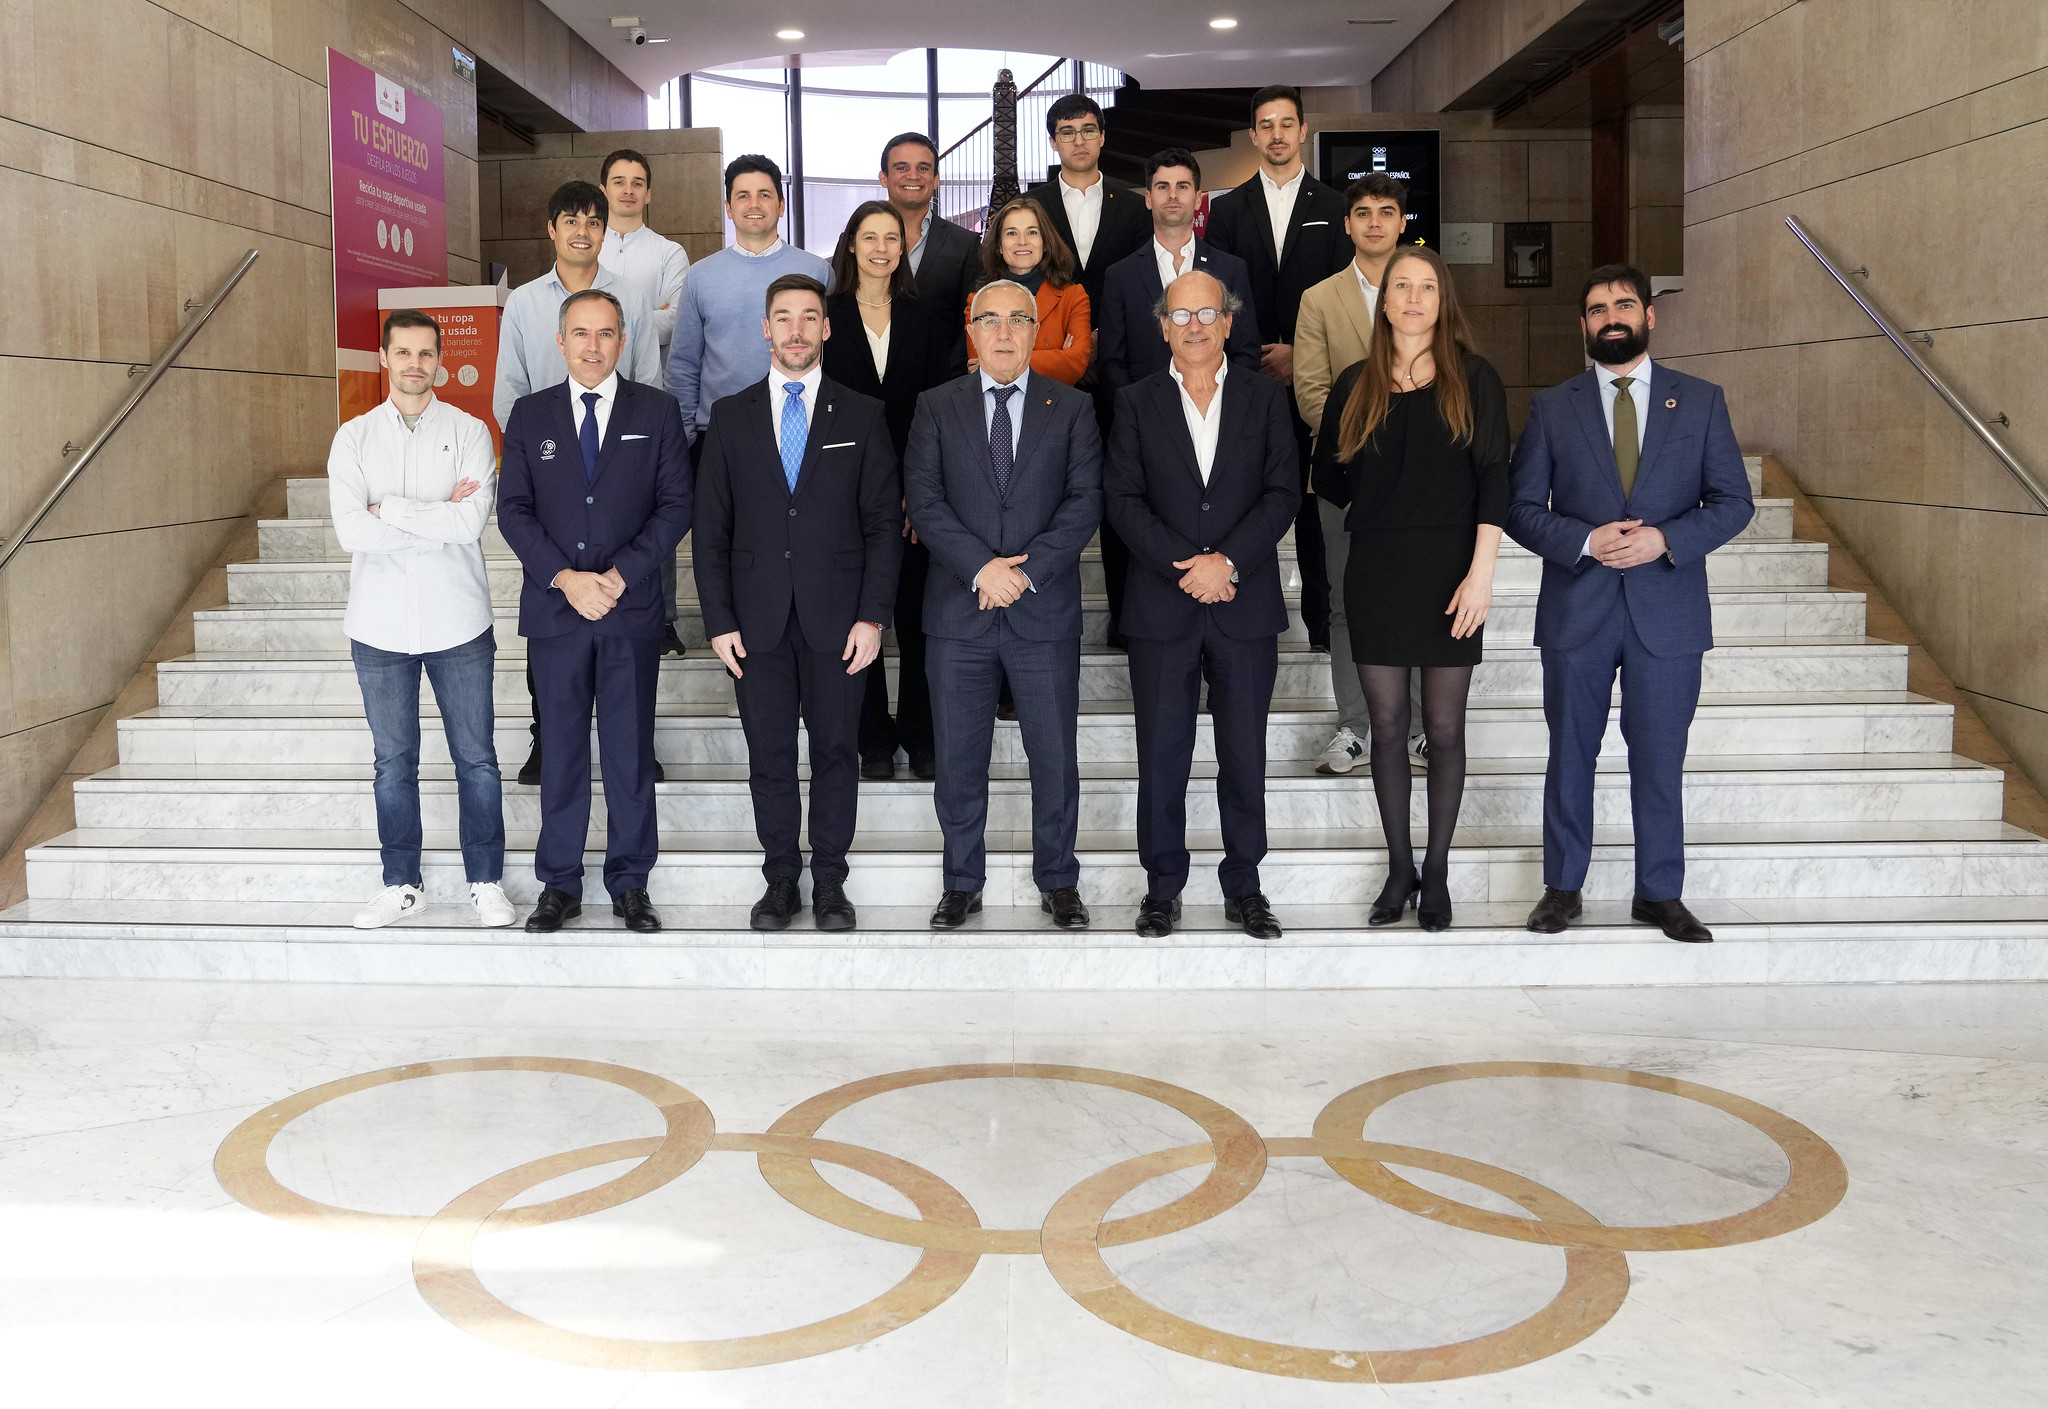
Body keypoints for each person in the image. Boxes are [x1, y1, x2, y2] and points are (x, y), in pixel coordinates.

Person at [1507, 264, 1755, 945]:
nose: (1610, 317)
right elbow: (1521, 509)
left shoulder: (1700, 401)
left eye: (1623, 305)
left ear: (1650, 315)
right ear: (1583, 325)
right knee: (1571, 752)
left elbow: (1734, 502)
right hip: (1577, 610)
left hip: (1666, 612)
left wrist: (1665, 539)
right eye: (1596, 309)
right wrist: (1584, 539)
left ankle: (1660, 892)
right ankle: (1563, 887)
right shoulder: (1552, 407)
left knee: (1660, 757)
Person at [694, 273, 902, 933]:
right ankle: (781, 879)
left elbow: (882, 526)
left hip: (839, 619)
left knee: (837, 751)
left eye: (809, 317)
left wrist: (873, 616)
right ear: (765, 328)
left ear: (827, 327)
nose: (796, 330)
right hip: (754, 623)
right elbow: (711, 529)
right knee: (770, 755)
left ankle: (831, 881)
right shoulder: (730, 416)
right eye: (783, 317)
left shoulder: (862, 413)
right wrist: (718, 620)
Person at [1312, 247, 1510, 934]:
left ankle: (1438, 869)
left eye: (1428, 286)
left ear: (1442, 299)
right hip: (1377, 572)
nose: (1415, 297)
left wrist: (1482, 573)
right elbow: (1328, 475)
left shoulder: (1474, 378)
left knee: (1445, 728)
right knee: (1389, 727)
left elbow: (1495, 477)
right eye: (1402, 286)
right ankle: (1400, 868)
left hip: (1453, 573)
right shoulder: (1354, 383)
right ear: (1385, 300)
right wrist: (1377, 509)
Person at [1105, 271, 1299, 941]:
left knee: (1244, 755)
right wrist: (1185, 568)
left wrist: (1229, 561)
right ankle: (1162, 887)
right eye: (1181, 315)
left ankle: (1245, 884)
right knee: (1163, 756)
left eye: (1207, 313)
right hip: (1164, 606)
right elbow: (1122, 499)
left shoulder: (1265, 397)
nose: (1194, 326)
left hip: (1244, 604)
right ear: (1163, 326)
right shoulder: (1134, 401)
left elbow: (1282, 492)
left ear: (1228, 322)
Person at [905, 279, 1103, 931]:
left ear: (1036, 331)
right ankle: (961, 882)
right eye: (990, 319)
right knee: (959, 760)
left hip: (1042, 612)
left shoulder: (1071, 407)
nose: (1004, 331)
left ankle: (1060, 881)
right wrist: (981, 568)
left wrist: (1026, 572)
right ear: (971, 330)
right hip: (959, 613)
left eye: (1019, 319)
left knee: (1055, 759)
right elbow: (925, 501)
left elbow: (1084, 503)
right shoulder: (936, 406)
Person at [497, 289, 691, 935]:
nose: (592, 346)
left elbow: (675, 506)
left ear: (622, 340)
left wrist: (617, 575)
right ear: (560, 341)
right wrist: (564, 578)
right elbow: (512, 510)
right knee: (561, 752)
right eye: (580, 333)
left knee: (630, 753)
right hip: (557, 613)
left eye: (605, 333)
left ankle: (630, 882)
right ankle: (559, 884)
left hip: (628, 610)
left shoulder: (657, 411)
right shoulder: (529, 415)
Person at [330, 310, 512, 931]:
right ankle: (401, 885)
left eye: (426, 353)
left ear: (439, 360)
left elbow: (470, 522)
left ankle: (485, 881)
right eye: (403, 352)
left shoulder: (470, 431)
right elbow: (351, 532)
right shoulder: (353, 438)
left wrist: (390, 510)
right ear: (384, 358)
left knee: (476, 758)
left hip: (458, 621)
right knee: (392, 764)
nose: (415, 364)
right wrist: (434, 516)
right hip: (378, 626)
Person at [494, 181, 663, 788]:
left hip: (621, 470)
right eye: (571, 219)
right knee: (552, 620)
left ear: (605, 229)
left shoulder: (631, 298)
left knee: (634, 634)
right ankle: (548, 736)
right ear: (552, 229)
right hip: (549, 478)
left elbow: (648, 381)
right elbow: (509, 394)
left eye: (593, 220)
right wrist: (537, 454)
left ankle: (635, 742)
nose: (582, 230)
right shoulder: (523, 303)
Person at [821, 201, 970, 782]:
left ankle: (920, 734)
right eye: (870, 237)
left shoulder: (925, 315)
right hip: (845, 494)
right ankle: (873, 742)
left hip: (915, 495)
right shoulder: (827, 316)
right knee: (858, 616)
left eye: (891, 238)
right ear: (851, 245)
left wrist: (919, 492)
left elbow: (940, 413)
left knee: (914, 617)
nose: (881, 248)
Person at [1202, 85, 1353, 652]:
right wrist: (1255, 356)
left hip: (1317, 382)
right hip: (1246, 379)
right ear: (1253, 135)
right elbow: (1220, 294)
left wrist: (1300, 354)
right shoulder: (1227, 210)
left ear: (1303, 131)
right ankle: (1244, 617)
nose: (1277, 134)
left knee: (1315, 506)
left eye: (1287, 124)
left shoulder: (1334, 206)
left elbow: (1339, 293)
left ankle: (1322, 624)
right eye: (1266, 125)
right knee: (1248, 499)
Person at [1097, 148, 1263, 646]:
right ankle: (1131, 630)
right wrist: (1145, 418)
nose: (1173, 196)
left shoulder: (1230, 268)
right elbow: (1112, 362)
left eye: (1183, 186)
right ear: (1148, 198)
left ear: (1198, 198)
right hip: (1146, 438)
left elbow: (1246, 352)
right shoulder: (1121, 274)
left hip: (1219, 430)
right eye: (1163, 186)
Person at [1295, 173, 1423, 777]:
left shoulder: (1427, 289)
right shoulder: (1319, 299)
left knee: (1420, 601)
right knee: (1348, 605)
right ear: (1347, 224)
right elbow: (1312, 394)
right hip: (1344, 477)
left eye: (1386, 211)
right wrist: (1369, 455)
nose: (1375, 222)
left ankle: (1420, 731)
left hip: (1424, 482)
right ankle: (1354, 727)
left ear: (1402, 222)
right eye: (1364, 212)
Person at [599, 147, 694, 662]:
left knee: (654, 509)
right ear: (604, 190)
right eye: (619, 181)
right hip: (588, 399)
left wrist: (616, 325)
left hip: (647, 395)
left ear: (649, 193)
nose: (628, 190)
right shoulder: (588, 247)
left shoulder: (668, 253)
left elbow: (675, 320)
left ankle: (665, 619)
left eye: (637, 182)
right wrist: (640, 316)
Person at [666, 155, 832, 444]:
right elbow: (683, 364)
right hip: (718, 432)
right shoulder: (700, 276)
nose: (754, 204)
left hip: (802, 425)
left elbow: (834, 358)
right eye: (743, 196)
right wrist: (686, 437)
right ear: (729, 208)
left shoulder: (817, 271)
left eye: (764, 195)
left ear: (781, 205)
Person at [1023, 94, 1150, 323]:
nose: (1079, 141)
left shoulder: (1136, 208)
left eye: (1088, 131)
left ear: (1102, 137)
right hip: (1047, 334)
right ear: (1053, 142)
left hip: (1118, 332)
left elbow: (1141, 280)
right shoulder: (1029, 207)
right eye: (1067, 133)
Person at [968, 197, 1092, 386]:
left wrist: (1004, 359)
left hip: (1055, 402)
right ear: (999, 246)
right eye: (1011, 233)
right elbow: (983, 374)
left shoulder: (1073, 297)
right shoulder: (977, 301)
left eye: (1032, 232)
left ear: (1045, 242)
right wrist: (1057, 357)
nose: (1022, 242)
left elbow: (1076, 364)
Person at [879, 132, 982, 319]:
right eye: (902, 168)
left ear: (935, 180)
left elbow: (973, 319)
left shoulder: (965, 245)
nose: (913, 176)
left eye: (923, 168)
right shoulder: (855, 240)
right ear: (883, 178)